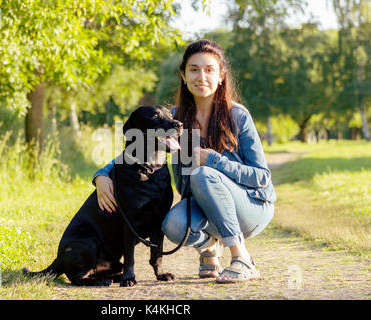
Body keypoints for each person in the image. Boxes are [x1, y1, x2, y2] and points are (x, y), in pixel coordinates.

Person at [92, 39, 276, 283]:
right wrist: (102, 174)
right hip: (205, 205)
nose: (202, 76)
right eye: (194, 69)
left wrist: (214, 161)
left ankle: (241, 257)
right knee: (172, 226)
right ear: (183, 75)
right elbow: (135, 149)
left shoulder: (237, 115)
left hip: (251, 206)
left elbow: (262, 177)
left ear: (221, 76)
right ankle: (209, 248)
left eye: (209, 70)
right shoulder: (174, 119)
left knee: (203, 174)